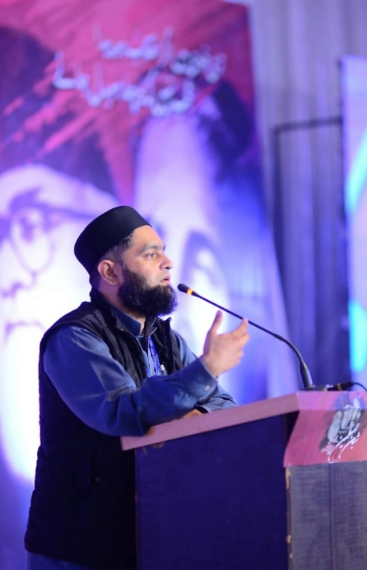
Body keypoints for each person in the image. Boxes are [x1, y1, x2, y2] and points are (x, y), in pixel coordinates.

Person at [24, 205, 249, 570]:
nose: (168, 263)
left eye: (163, 252)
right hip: (79, 545)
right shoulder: (74, 338)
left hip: (148, 532)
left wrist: (196, 413)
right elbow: (122, 411)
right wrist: (205, 370)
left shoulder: (166, 338)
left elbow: (222, 402)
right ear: (110, 272)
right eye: (150, 254)